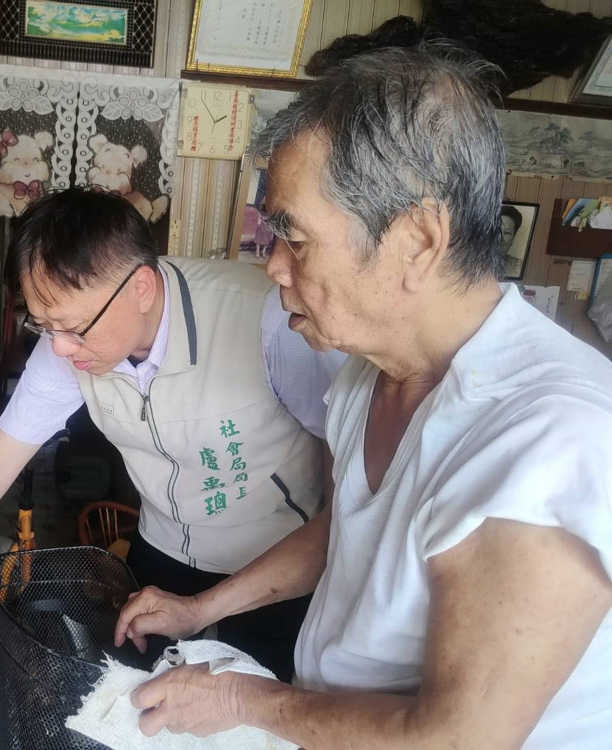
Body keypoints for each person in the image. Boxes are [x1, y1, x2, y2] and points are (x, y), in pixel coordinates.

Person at [115, 45, 612, 749]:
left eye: (293, 235)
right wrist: (201, 609)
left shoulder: (547, 435)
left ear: (416, 241)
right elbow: (352, 532)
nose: (274, 267)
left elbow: (455, 740)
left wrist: (238, 697)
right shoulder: (366, 375)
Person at [0, 189, 345, 712]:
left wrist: (204, 608)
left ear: (141, 287)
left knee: (244, 727)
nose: (59, 349)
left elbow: (343, 506)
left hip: (276, 571)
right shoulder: (65, 343)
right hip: (160, 559)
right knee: (142, 715)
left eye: (72, 328)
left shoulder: (268, 321)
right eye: (43, 326)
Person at [501, 204, 524, 277]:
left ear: (513, 239)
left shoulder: (520, 267)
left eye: (507, 233)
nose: (499, 238)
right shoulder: (469, 265)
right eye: (495, 231)